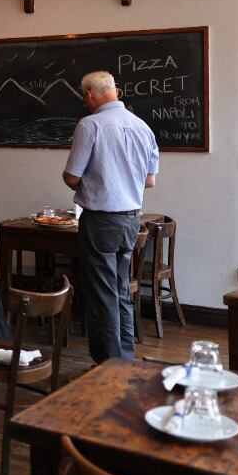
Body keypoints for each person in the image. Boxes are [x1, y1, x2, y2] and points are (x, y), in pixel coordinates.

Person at [62, 70, 159, 364]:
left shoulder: (90, 125)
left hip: (100, 221)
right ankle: (125, 359)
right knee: (120, 290)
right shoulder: (142, 126)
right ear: (116, 90)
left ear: (89, 95)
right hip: (131, 219)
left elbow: (71, 177)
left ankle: (108, 366)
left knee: (102, 295)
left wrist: (92, 182)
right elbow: (150, 181)